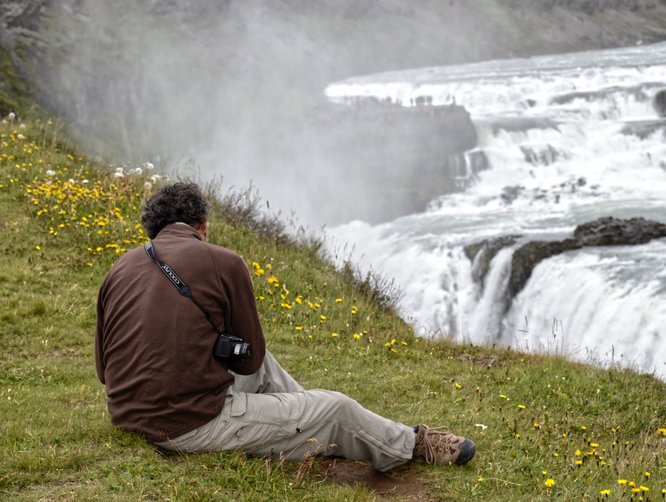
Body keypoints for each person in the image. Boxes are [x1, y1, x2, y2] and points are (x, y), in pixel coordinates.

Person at [95, 181, 476, 472]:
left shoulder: (118, 269)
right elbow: (246, 357)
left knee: (266, 367)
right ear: (203, 225)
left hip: (128, 416)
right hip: (185, 426)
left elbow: (102, 370)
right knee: (337, 407)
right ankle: (410, 445)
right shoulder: (223, 262)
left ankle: (307, 425)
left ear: (152, 229)